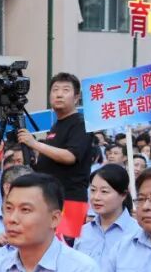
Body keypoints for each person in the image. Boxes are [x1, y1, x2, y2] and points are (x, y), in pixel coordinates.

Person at [17, 73, 95, 203]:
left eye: (65, 90)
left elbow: (70, 156)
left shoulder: (80, 123)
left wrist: (34, 143)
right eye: (55, 90)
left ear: (76, 98)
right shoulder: (57, 125)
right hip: (51, 198)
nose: (59, 94)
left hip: (70, 199)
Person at [74, 164, 138, 267]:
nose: (96, 197)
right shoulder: (83, 232)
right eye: (93, 190)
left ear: (123, 195)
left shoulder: (137, 233)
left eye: (104, 191)